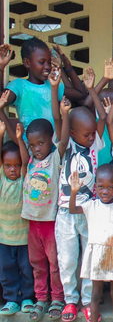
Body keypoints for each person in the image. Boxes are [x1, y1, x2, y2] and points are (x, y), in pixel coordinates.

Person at [19, 67, 69, 320]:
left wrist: (61, 110)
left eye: (41, 143)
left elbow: (61, 130)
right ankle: (41, 298)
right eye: (33, 145)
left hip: (50, 222)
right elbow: (24, 151)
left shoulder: (55, 158)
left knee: (54, 264)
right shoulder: (29, 161)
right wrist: (20, 140)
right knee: (37, 264)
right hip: (33, 222)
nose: (37, 149)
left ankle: (57, 299)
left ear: (51, 141)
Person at [68, 167, 113, 322]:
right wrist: (74, 191)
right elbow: (73, 209)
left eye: (110, 187)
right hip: (97, 254)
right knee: (95, 293)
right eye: (101, 187)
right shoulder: (91, 205)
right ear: (95, 187)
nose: (105, 191)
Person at [57, 103, 107, 321]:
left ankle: (88, 302)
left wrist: (95, 89)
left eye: (92, 133)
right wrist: (65, 113)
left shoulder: (94, 145)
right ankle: (70, 300)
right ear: (72, 133)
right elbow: (62, 129)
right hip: (65, 213)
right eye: (86, 134)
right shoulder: (66, 148)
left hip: (89, 212)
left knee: (89, 257)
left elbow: (103, 119)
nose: (90, 137)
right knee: (67, 259)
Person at [3, 38, 87, 138]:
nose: (47, 66)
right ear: (27, 63)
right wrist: (0, 68)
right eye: (41, 62)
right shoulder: (19, 85)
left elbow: (81, 94)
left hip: (54, 148)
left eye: (49, 62)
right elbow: (1, 100)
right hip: (31, 148)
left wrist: (67, 66)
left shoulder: (53, 85)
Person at [0, 122, 34, 316]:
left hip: (24, 238)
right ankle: (11, 299)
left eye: (16, 166)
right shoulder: (1, 179)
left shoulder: (23, 179)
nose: (12, 169)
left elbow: (25, 158)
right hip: (4, 238)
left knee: (26, 269)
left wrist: (20, 139)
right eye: (7, 166)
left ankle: (27, 297)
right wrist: (2, 134)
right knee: (7, 270)